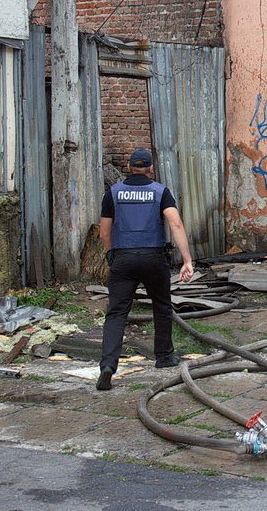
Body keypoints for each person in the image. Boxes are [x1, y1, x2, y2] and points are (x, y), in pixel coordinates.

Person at [96, 148, 194, 391]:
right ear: (151, 169)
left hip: (123, 259)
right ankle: (164, 357)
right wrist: (187, 260)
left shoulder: (113, 193)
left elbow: (104, 232)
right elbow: (176, 223)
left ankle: (108, 366)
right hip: (153, 258)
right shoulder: (160, 192)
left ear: (129, 167)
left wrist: (112, 253)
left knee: (116, 313)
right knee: (161, 306)